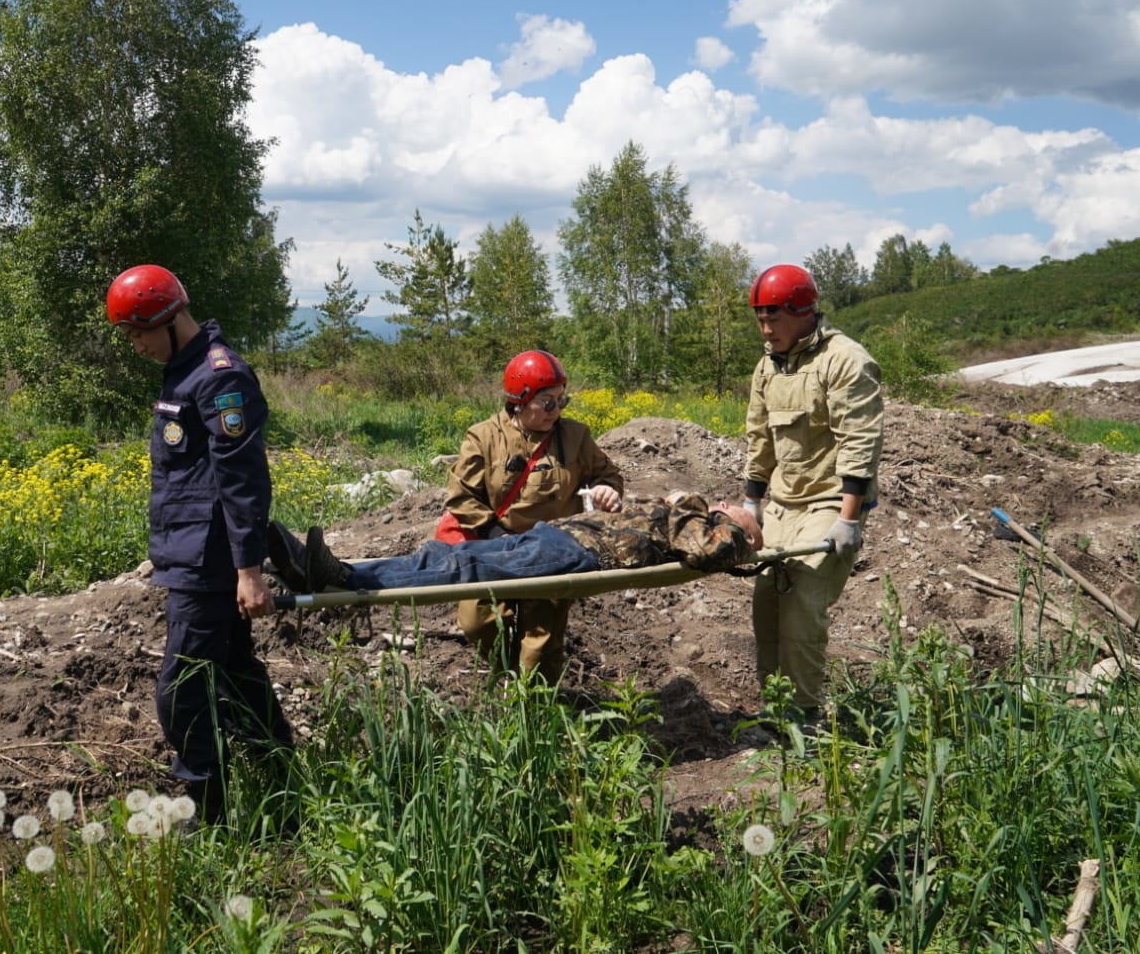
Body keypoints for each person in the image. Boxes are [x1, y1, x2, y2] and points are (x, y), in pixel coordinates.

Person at [107, 264, 293, 825]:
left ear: (167, 319)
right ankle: (283, 791)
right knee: (234, 671)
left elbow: (241, 481)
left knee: (182, 689)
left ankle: (201, 815)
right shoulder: (183, 371)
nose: (134, 345)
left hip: (211, 563)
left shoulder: (218, 377)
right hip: (189, 553)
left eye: (137, 332)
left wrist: (248, 571)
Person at [741, 264, 884, 717]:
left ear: (804, 311)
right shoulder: (768, 365)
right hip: (784, 503)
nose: (766, 328)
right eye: (760, 319)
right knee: (766, 604)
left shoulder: (845, 360)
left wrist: (848, 519)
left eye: (775, 317)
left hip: (829, 501)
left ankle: (803, 718)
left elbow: (860, 441)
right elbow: (760, 436)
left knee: (802, 602)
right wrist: (751, 502)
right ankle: (776, 712)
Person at [446, 350, 625, 681]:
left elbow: (608, 474)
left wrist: (607, 490)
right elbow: (461, 496)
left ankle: (535, 711)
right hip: (496, 549)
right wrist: (497, 538)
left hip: (552, 552)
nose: (556, 411)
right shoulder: (483, 438)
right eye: (547, 402)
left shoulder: (575, 436)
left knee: (540, 647)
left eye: (561, 401)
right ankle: (504, 673)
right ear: (519, 402)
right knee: (477, 621)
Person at [267, 494, 762, 594]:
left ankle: (343, 578)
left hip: (577, 555)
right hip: (558, 537)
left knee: (463, 573)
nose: (725, 504)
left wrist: (732, 526)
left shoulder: (706, 527)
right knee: (449, 555)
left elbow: (711, 551)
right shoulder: (687, 511)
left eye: (730, 511)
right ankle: (306, 568)